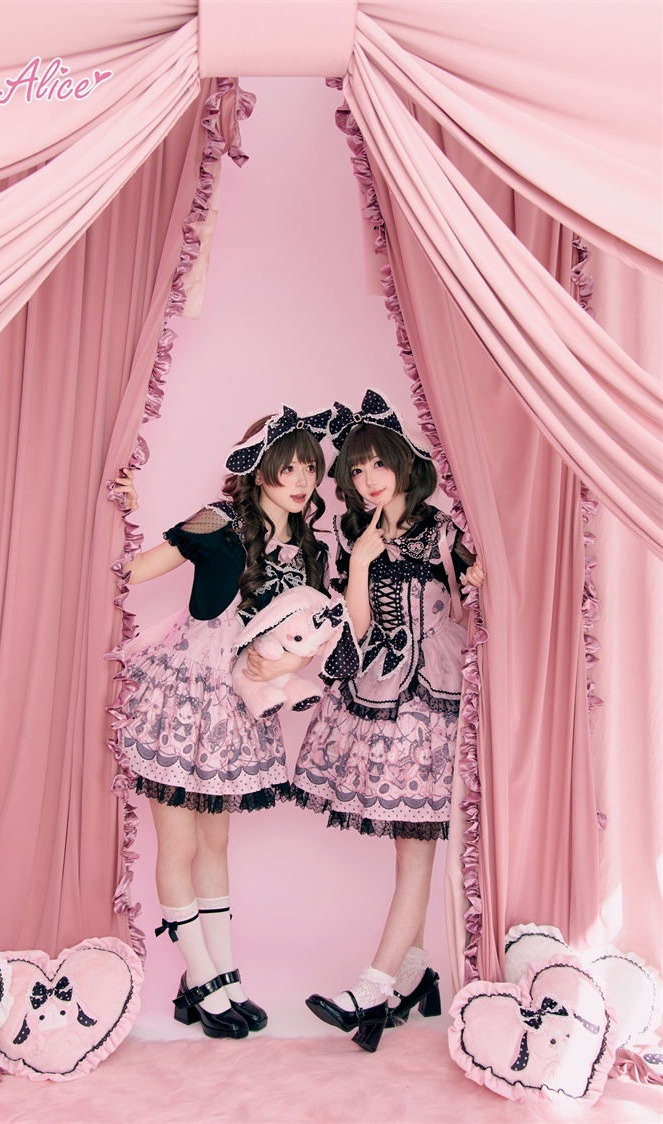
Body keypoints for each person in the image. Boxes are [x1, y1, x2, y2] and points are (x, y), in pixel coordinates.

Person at [115, 406, 330, 1040]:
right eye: (287, 468)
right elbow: (131, 570)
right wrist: (119, 516)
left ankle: (222, 974)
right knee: (179, 845)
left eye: (309, 468)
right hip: (182, 696)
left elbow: (310, 635)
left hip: (238, 704)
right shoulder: (217, 521)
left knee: (216, 844)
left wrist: (285, 664)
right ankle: (203, 977)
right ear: (259, 472)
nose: (300, 480)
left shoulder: (309, 550)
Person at [292, 390, 485, 1053]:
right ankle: (415, 974)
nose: (368, 478)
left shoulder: (444, 532)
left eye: (378, 463)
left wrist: (479, 578)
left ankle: (372, 989)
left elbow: (474, 599)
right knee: (410, 846)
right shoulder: (353, 535)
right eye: (356, 469)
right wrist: (362, 563)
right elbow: (357, 625)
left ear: (404, 463)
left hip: (432, 703)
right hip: (376, 697)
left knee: (415, 851)